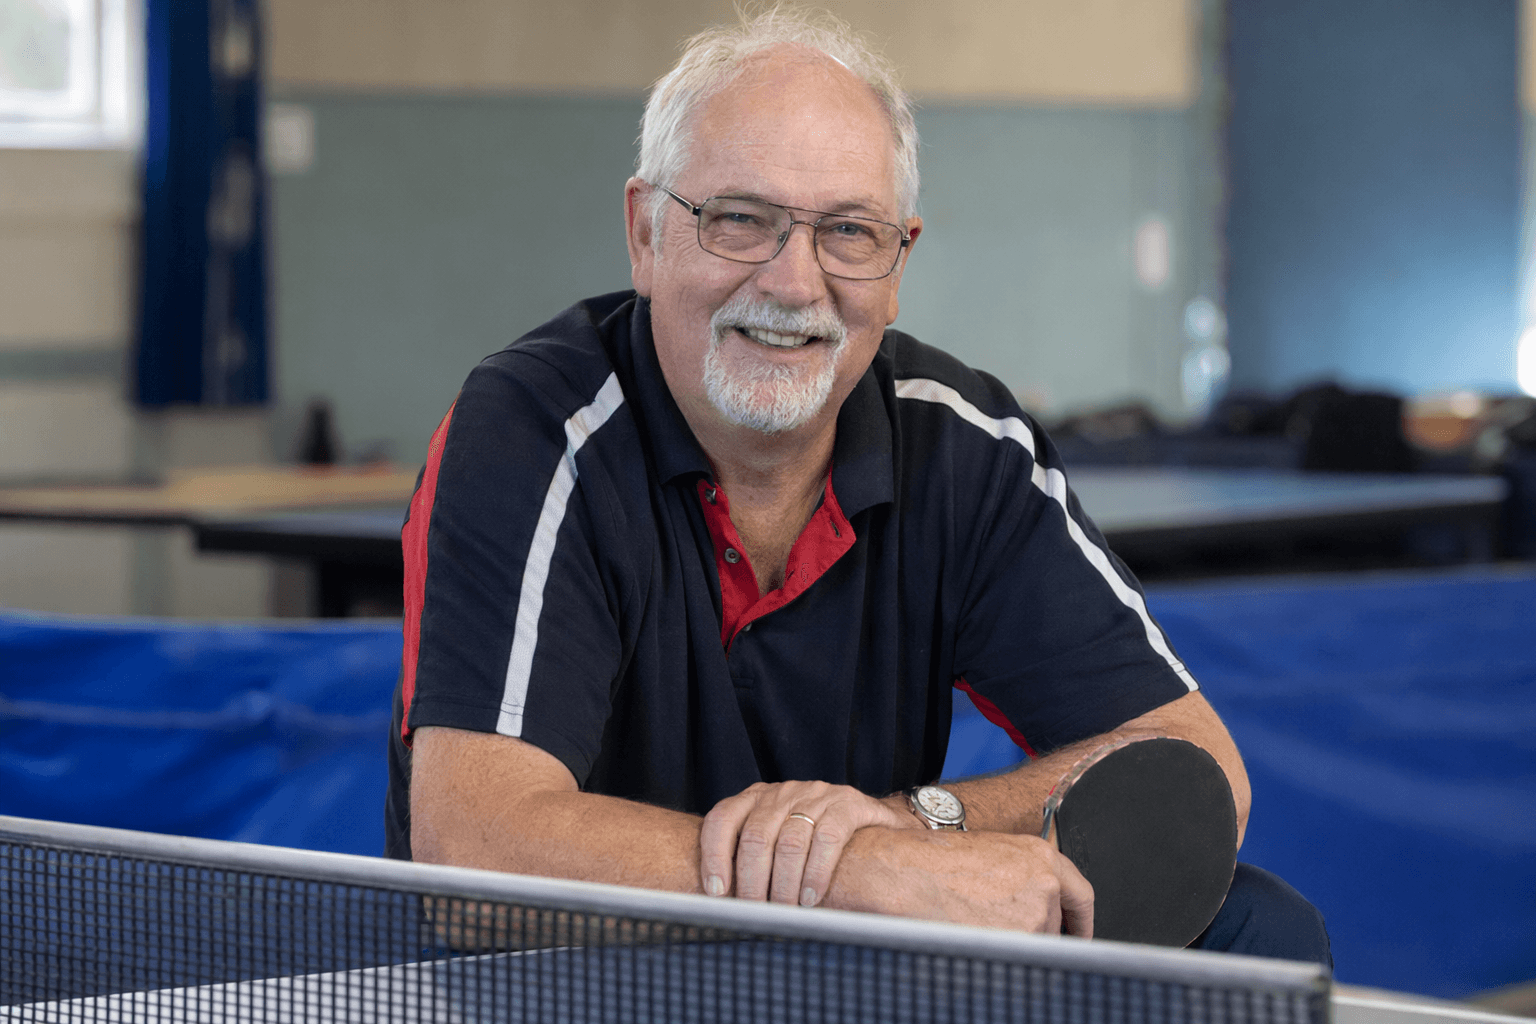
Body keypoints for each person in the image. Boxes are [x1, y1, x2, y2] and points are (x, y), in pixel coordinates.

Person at [385, 7, 1329, 962]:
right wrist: (846, 874)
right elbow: (475, 849)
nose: (795, 283)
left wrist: (915, 826)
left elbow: (1194, 769)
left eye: (847, 232)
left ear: (898, 261)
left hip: (852, 974)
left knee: (1258, 929)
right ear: (644, 232)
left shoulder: (961, 444)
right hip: (591, 974)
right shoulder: (531, 432)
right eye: (741, 220)